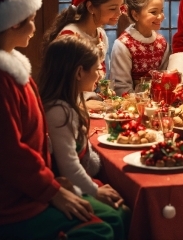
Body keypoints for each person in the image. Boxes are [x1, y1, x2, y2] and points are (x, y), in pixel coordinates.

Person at [0, 0, 125, 239]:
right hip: (12, 205)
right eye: (31, 20)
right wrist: (53, 192)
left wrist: (53, 180)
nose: (36, 28)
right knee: (100, 229)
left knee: (119, 213)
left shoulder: (10, 70)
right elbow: (10, 153)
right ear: (13, 22)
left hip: (30, 188)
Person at [39, 35, 129, 238]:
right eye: (97, 69)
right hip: (66, 186)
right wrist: (95, 192)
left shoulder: (68, 104)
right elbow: (69, 167)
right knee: (119, 213)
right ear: (80, 72)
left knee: (123, 207)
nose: (99, 75)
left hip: (77, 180)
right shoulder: (59, 111)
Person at [42, 0, 126, 111]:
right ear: (91, 7)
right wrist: (80, 104)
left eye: (121, 7)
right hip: (68, 109)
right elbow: (57, 88)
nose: (119, 13)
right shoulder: (70, 37)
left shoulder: (100, 34)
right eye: (112, 8)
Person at [110, 0, 170, 95]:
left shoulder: (162, 43)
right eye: (153, 12)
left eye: (161, 11)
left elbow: (164, 78)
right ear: (135, 14)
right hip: (130, 106)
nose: (160, 16)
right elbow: (120, 87)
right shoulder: (123, 45)